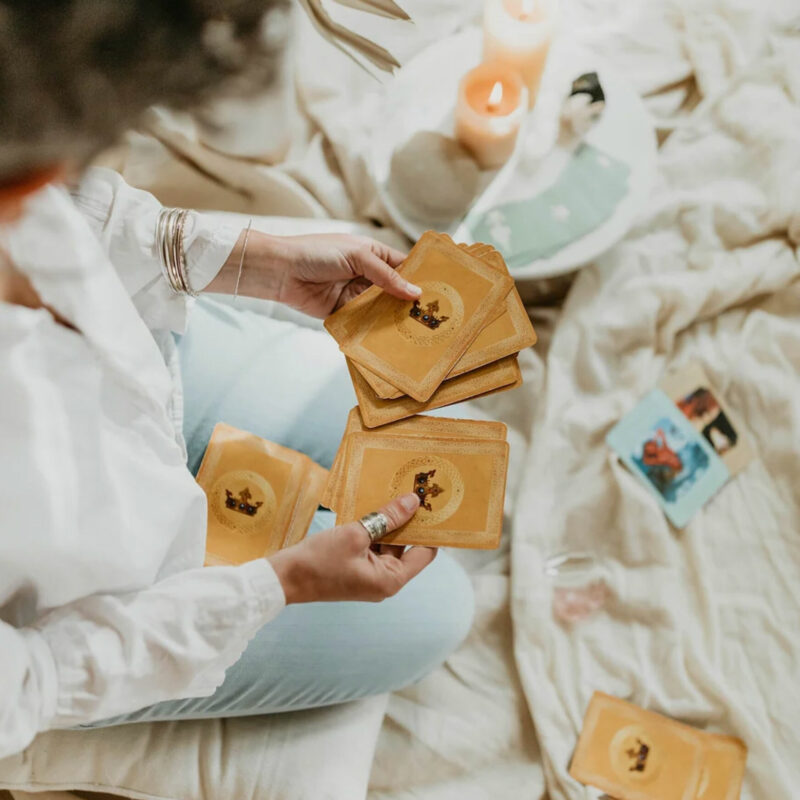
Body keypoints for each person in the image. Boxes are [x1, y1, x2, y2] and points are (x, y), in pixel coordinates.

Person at [0, 1, 474, 757]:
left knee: (435, 435)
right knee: (441, 610)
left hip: (146, 372)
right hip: (98, 608)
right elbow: (24, 681)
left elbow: (77, 209)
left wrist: (258, 262)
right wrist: (279, 586)